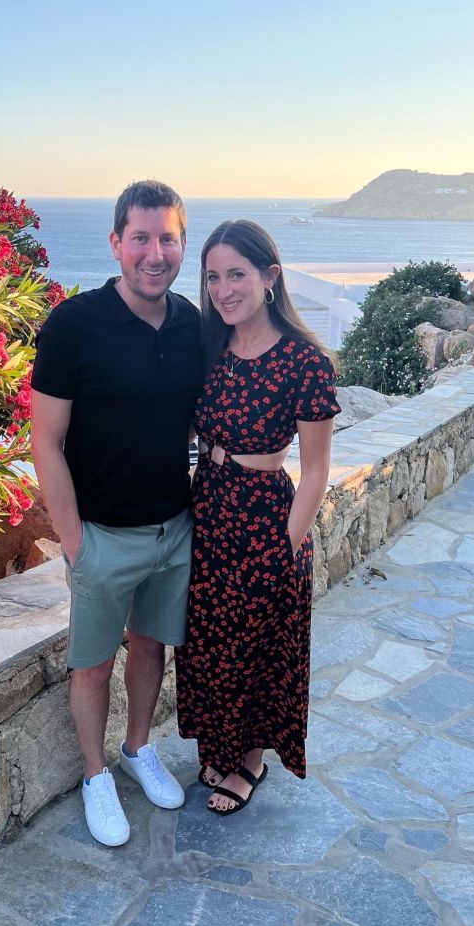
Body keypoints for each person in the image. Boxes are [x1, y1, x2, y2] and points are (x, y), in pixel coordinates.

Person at [31, 181, 204, 846]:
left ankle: (137, 749)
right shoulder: (74, 326)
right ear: (115, 243)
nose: (155, 254)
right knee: (93, 665)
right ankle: (95, 774)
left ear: (182, 245)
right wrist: (75, 541)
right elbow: (45, 441)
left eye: (168, 239)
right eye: (141, 238)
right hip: (102, 534)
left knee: (151, 645)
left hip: (173, 527)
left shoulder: (190, 325)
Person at [175, 219, 339, 815]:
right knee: (209, 641)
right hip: (208, 508)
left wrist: (284, 549)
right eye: (212, 277)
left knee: (257, 646)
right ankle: (218, 745)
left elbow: (316, 471)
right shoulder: (208, 347)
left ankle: (250, 760)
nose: (223, 290)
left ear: (269, 276)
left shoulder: (305, 362)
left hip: (265, 516)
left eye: (236, 274)